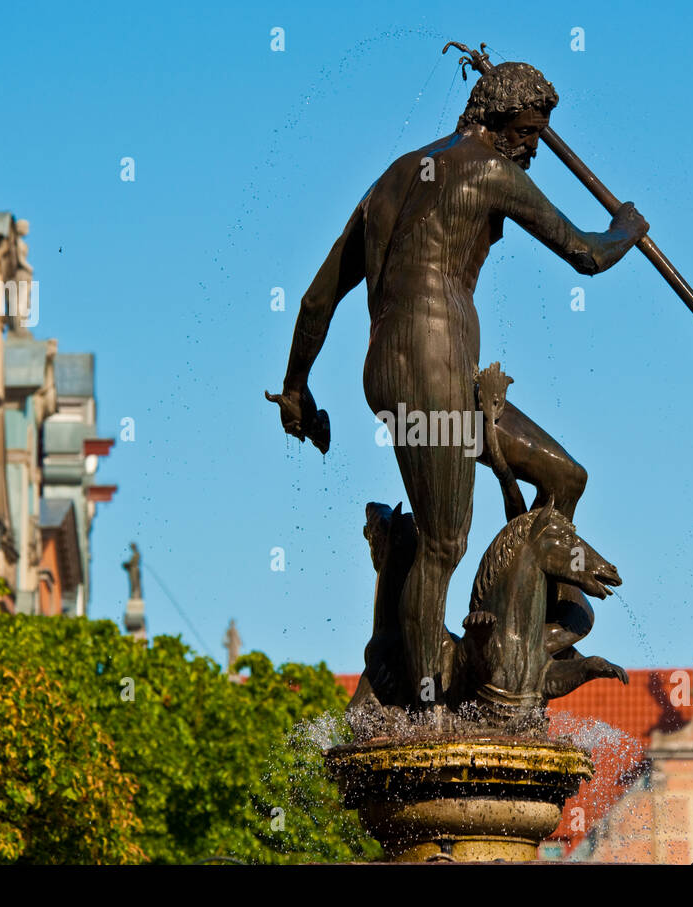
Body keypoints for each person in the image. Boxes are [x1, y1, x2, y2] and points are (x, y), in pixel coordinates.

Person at [268, 61, 650, 700]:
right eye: (528, 133)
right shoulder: (487, 169)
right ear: (498, 122)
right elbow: (586, 253)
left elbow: (316, 301)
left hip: (417, 370)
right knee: (443, 543)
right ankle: (425, 711)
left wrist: (297, 388)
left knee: (564, 477)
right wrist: (628, 229)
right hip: (428, 366)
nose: (533, 148)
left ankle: (525, 633)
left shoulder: (393, 180)